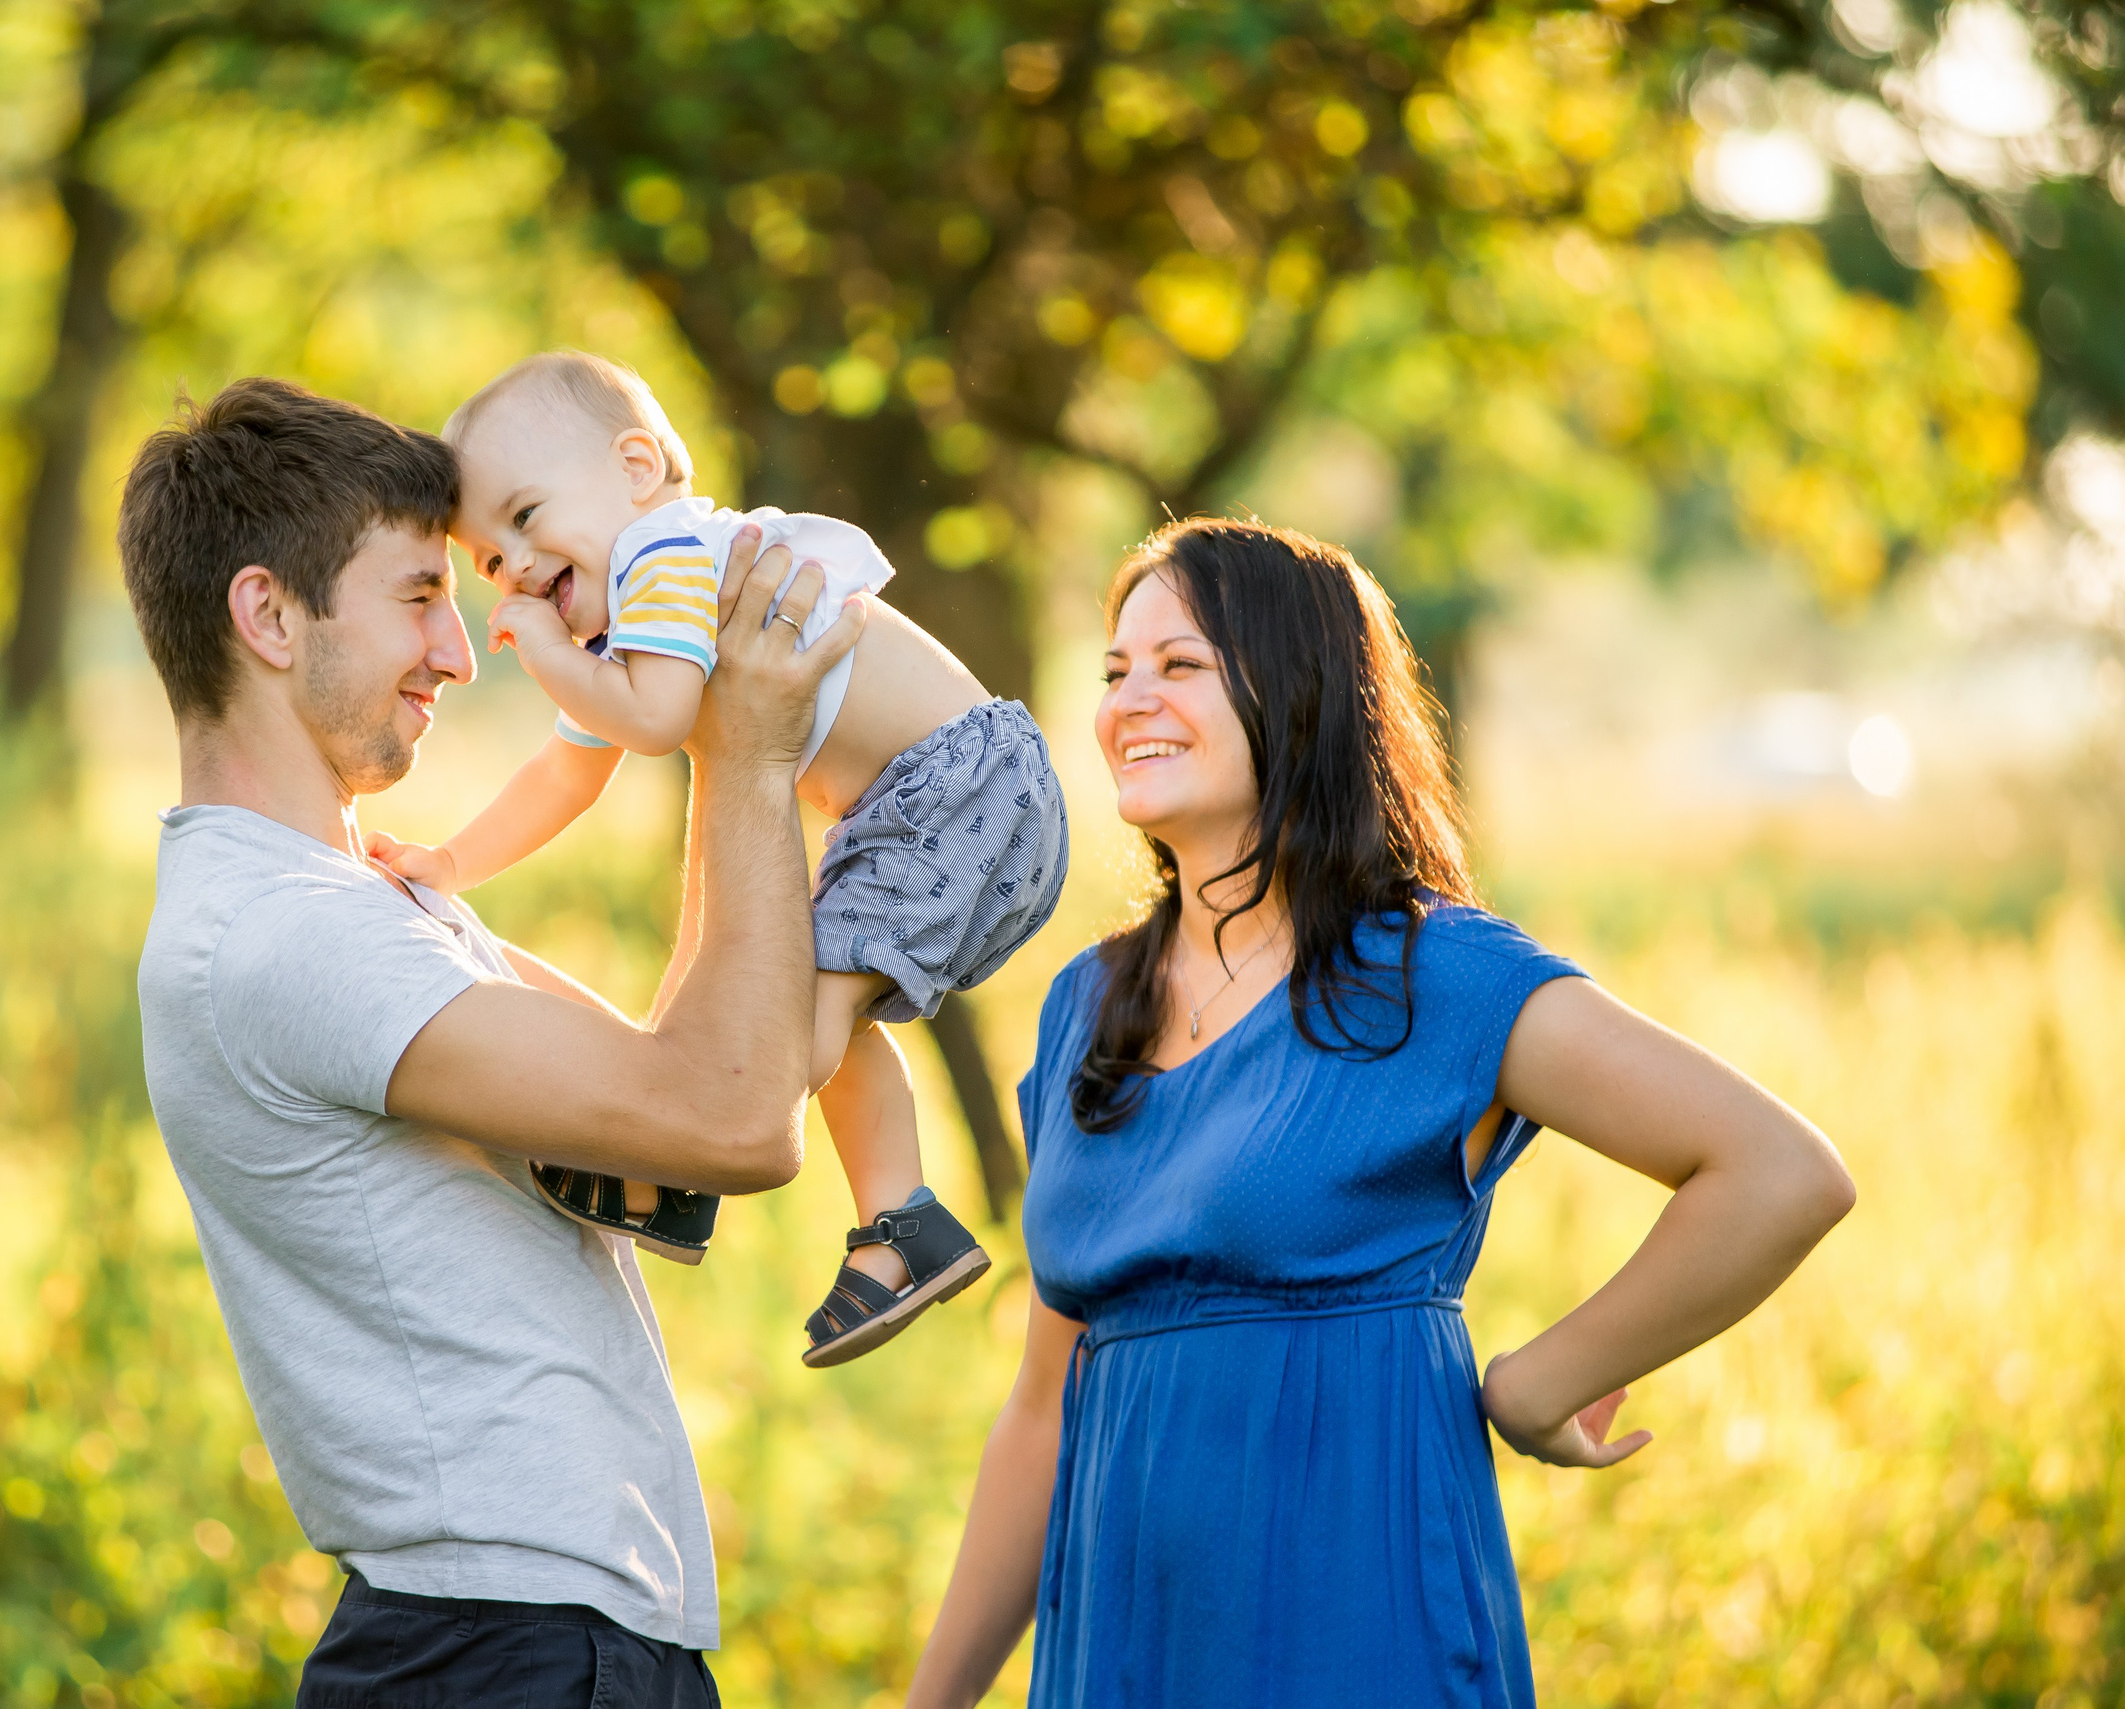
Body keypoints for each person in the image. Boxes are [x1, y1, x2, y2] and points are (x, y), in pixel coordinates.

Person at [906, 520, 1857, 1707]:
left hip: (1354, 1623)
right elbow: (1044, 1408)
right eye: (1114, 671)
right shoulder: (1079, 1007)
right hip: (1122, 1642)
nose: (1126, 702)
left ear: (1297, 693)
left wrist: (1536, 1380)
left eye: (1179, 664)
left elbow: (1777, 1170)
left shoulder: (1434, 976)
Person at [121, 376, 866, 1706]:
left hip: (532, 1637)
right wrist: (738, 747)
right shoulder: (286, 939)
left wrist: (713, 726)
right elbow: (736, 1117)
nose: (465, 654)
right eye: (420, 597)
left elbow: (684, 1097)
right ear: (267, 617)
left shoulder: (359, 907)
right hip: (505, 1650)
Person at [367, 351, 1069, 1367]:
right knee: (802, 1005)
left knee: (779, 1025)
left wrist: (556, 662)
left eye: (525, 517)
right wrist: (450, 858)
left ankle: (681, 1168)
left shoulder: (669, 556)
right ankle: (897, 1222)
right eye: (486, 559)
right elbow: (568, 777)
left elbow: (652, 726)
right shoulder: (627, 618)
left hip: (959, 787)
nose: (514, 568)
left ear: (638, 466)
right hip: (931, 806)